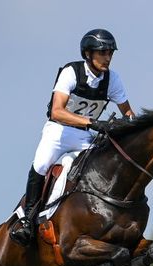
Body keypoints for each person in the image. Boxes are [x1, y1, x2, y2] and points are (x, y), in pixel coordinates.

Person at [11, 29, 136, 246]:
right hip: (58, 131)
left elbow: (128, 113)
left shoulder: (112, 79)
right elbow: (57, 111)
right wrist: (92, 122)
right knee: (41, 164)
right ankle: (27, 220)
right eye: (103, 52)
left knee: (95, 170)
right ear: (88, 53)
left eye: (110, 53)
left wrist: (126, 125)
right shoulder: (71, 72)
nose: (107, 58)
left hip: (84, 138)